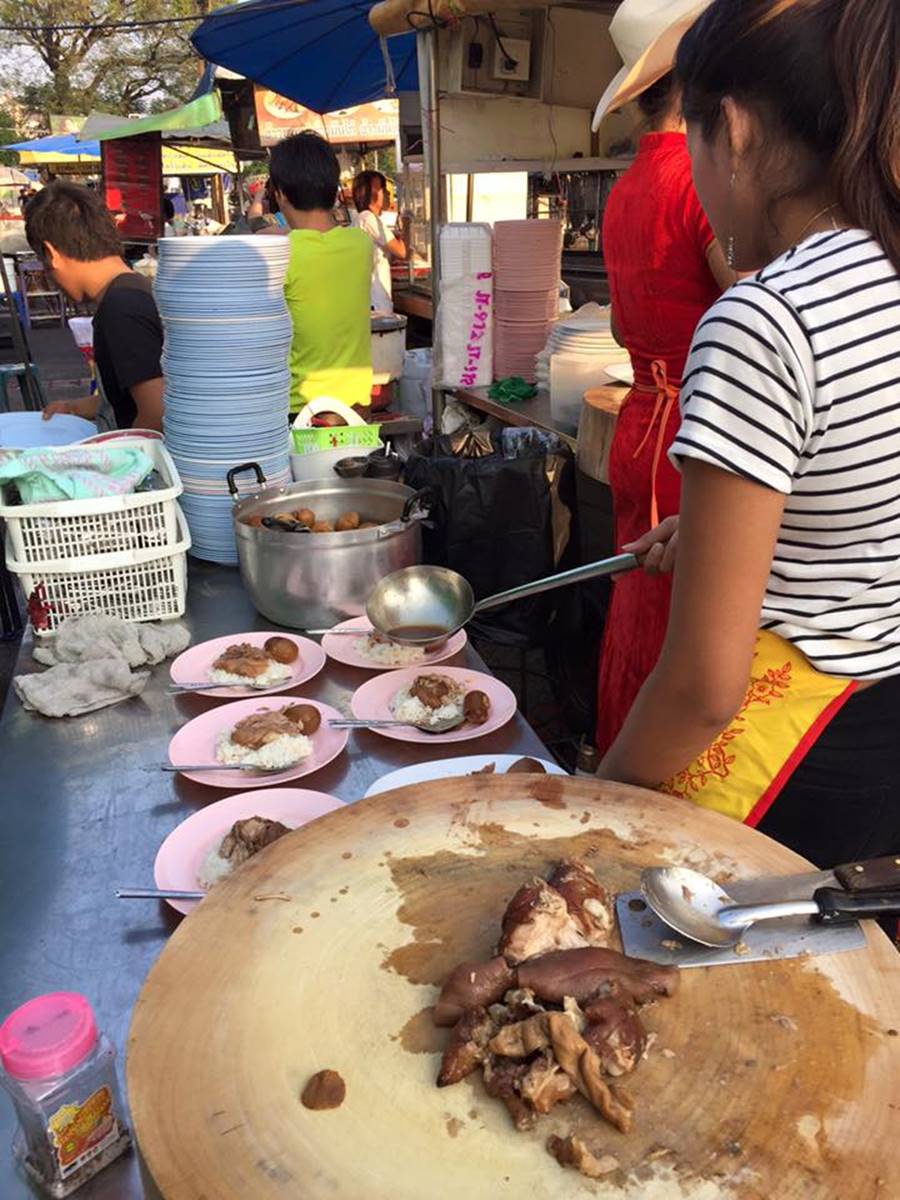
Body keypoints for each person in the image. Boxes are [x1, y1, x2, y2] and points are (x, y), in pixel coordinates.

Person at [597, 0, 900, 869]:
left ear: (729, 129)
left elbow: (700, 688)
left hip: (802, 765)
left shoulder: (764, 319)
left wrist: (599, 807)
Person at [592, 0, 735, 757]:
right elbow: (751, 301)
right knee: (690, 617)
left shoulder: (626, 188)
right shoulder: (702, 184)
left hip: (644, 421)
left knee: (639, 599)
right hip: (695, 433)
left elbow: (619, 327)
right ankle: (671, 777)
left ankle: (617, 743)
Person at [26, 182, 164, 431]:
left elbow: (156, 412)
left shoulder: (121, 309)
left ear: (51, 253)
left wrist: (116, 462)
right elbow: (129, 396)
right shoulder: (132, 289)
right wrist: (74, 407)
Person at [269, 132, 373, 412]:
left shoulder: (280, 254)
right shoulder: (361, 244)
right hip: (356, 409)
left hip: (301, 411)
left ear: (280, 194)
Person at [352, 169, 409, 312]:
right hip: (375, 302)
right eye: (384, 190)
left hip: (373, 300)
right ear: (372, 194)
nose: (388, 195)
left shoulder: (364, 219)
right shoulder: (368, 218)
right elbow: (402, 251)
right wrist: (407, 224)